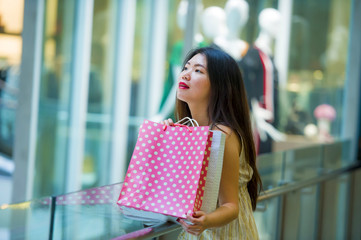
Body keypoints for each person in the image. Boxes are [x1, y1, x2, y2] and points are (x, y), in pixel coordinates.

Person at [161, 47, 262, 239]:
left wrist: (205, 221)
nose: (186, 75)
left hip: (223, 234)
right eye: (186, 68)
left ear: (219, 86)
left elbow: (230, 206)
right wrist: (167, 139)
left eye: (198, 70)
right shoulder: (189, 131)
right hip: (200, 230)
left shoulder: (221, 135)